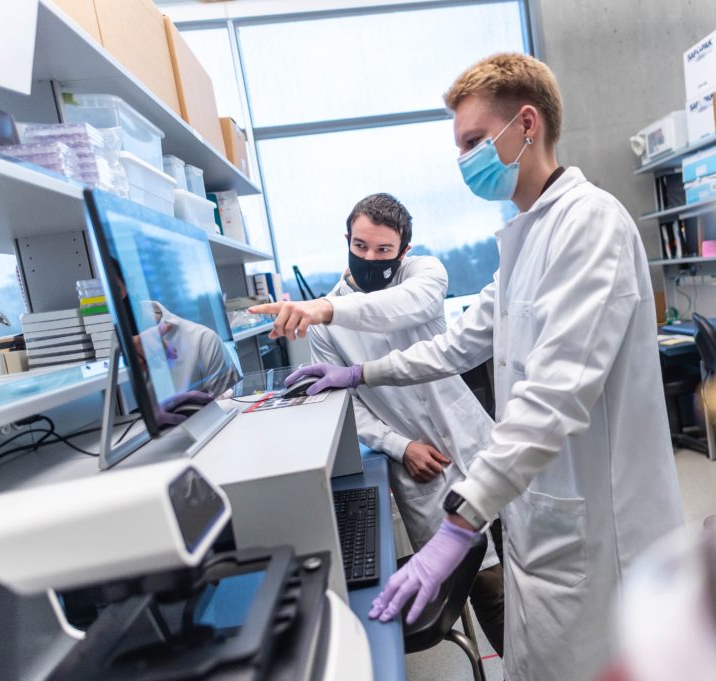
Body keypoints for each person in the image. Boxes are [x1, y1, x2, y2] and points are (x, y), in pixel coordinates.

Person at [275, 53, 684, 681]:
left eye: (472, 141)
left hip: (599, 529)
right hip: (543, 515)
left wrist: (461, 524)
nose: (464, 160)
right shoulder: (526, 236)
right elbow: (456, 345)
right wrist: (360, 376)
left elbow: (553, 397)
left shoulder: (590, 225)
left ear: (527, 124)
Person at [249, 193, 505, 654]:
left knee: (528, 557)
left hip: (476, 441)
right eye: (360, 246)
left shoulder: (424, 275)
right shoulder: (325, 323)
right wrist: (398, 445)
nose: (370, 257)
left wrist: (326, 309)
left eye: (383, 250)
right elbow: (345, 400)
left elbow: (398, 307)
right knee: (488, 584)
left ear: (403, 251)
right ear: (347, 241)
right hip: (423, 467)